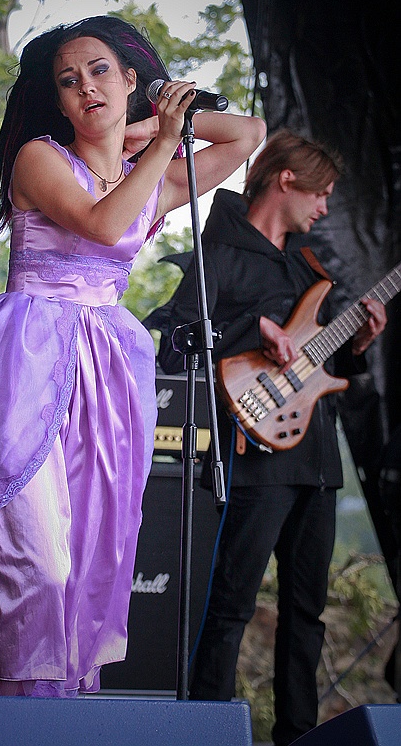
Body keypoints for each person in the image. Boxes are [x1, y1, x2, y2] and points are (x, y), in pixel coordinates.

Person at [0, 15, 265, 699]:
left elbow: (250, 135)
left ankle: (42, 718)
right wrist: (159, 139)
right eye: (67, 80)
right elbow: (107, 226)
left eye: (100, 70)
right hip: (25, 356)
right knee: (37, 566)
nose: (84, 87)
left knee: (82, 571)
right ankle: (19, 729)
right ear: (54, 100)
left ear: (132, 78)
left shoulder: (153, 178)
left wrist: (139, 130)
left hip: (106, 367)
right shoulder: (39, 158)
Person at [146, 129, 387, 743]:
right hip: (251, 456)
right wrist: (251, 326)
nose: (325, 208)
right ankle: (206, 730)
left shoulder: (309, 264)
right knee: (230, 602)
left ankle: (298, 735)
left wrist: (356, 346)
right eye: (322, 193)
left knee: (307, 615)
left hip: (317, 457)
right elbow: (172, 334)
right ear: (286, 179)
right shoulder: (220, 249)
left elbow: (325, 368)